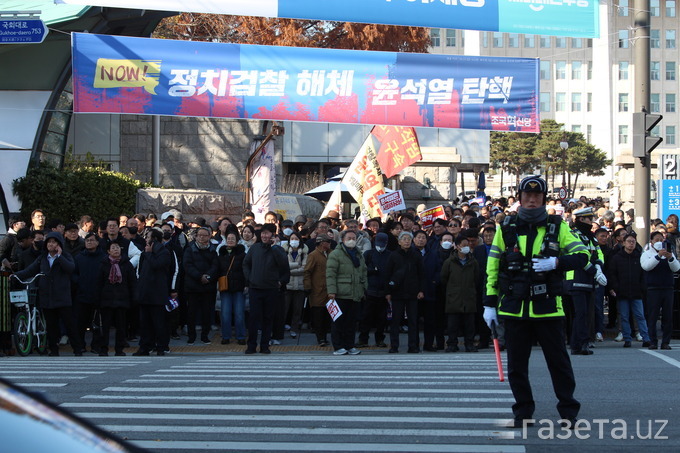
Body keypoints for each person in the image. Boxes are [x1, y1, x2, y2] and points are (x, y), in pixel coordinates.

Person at [483, 175, 589, 428]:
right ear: (519, 198)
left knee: (559, 363)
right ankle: (523, 411)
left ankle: (568, 412)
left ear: (543, 199)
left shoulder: (558, 226)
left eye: (537, 196)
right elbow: (493, 266)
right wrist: (489, 303)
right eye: (527, 196)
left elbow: (583, 255)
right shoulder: (505, 227)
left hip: (549, 307)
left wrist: (557, 262)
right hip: (514, 307)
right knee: (517, 366)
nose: (531, 201)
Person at [15, 232, 83, 356]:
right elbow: (30, 270)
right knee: (51, 326)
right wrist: (15, 275)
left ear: (59, 244)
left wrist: (59, 256)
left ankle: (77, 349)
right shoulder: (42, 257)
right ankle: (54, 349)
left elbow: (70, 268)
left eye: (54, 242)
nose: (51, 245)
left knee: (70, 324)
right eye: (49, 242)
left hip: (62, 297)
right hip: (47, 296)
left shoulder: (65, 256)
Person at [564, 207, 606, 356]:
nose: (591, 221)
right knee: (580, 313)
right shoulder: (574, 235)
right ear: (581, 219)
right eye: (589, 219)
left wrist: (599, 266)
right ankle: (579, 343)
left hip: (589, 278)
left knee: (587, 313)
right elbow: (578, 257)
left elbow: (598, 253)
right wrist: (594, 271)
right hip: (576, 278)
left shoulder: (592, 237)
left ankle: (581, 343)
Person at [242, 224, 290, 354]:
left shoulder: (277, 250)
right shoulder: (255, 248)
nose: (264, 236)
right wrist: (249, 277)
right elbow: (246, 263)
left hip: (271, 289)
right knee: (254, 318)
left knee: (268, 318)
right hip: (255, 288)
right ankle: (251, 345)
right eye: (263, 233)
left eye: (268, 233)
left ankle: (265, 345)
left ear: (273, 235)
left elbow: (284, 265)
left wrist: (274, 246)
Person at [326, 229, 367, 355]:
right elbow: (330, 274)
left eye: (354, 238)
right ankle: (338, 346)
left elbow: (364, 272)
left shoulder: (358, 254)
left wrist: (364, 288)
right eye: (349, 238)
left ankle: (350, 345)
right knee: (338, 322)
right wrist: (331, 291)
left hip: (355, 293)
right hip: (340, 293)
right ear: (342, 240)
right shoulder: (336, 254)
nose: (351, 240)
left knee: (351, 322)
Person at [607, 234, 652, 349]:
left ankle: (646, 338)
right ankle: (627, 339)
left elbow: (643, 275)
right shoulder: (617, 258)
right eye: (629, 241)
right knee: (624, 317)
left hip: (637, 292)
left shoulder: (639, 256)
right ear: (624, 243)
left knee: (640, 316)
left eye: (633, 242)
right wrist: (615, 287)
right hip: (622, 292)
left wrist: (643, 288)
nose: (631, 244)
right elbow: (612, 274)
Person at [134, 229, 172, 356]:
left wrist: (149, 254)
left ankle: (161, 347)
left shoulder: (164, 252)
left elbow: (157, 265)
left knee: (159, 323)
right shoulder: (145, 252)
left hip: (157, 294)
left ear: (154, 239)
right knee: (144, 323)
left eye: (148, 236)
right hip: (145, 293)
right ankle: (144, 347)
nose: (145, 239)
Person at [385, 231, 424, 353]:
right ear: (399, 241)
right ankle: (394, 346)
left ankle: (413, 346)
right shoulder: (393, 255)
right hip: (397, 293)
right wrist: (388, 292)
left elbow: (422, 274)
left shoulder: (416, 255)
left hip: (413, 293)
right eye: (404, 239)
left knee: (413, 321)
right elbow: (387, 274)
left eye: (409, 239)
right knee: (395, 321)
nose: (407, 241)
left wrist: (421, 290)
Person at [441, 234, 480, 352]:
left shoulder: (473, 262)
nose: (466, 247)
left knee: (469, 324)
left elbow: (476, 278)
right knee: (452, 324)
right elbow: (444, 278)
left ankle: (469, 343)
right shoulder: (449, 262)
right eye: (464, 245)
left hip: (469, 296)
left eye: (467, 245)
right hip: (454, 297)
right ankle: (452, 344)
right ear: (457, 246)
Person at [96, 241, 136, 356]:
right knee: (106, 326)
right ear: (108, 251)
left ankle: (119, 349)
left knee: (121, 326)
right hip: (106, 300)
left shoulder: (126, 263)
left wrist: (133, 297)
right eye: (113, 248)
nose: (116, 250)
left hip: (122, 299)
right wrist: (98, 299)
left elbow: (132, 282)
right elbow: (99, 283)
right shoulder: (103, 263)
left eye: (117, 247)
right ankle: (104, 348)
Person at [642, 231, 680, 350]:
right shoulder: (647, 254)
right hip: (653, 289)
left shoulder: (669, 253)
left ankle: (665, 342)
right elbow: (647, 266)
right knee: (652, 316)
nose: (659, 242)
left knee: (667, 316)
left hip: (668, 288)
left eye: (661, 240)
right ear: (651, 242)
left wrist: (670, 258)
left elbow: (676, 268)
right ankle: (653, 341)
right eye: (656, 240)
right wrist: (658, 256)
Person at [183, 227, 219, 345]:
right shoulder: (189, 249)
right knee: (192, 312)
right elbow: (187, 266)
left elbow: (215, 266)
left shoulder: (213, 250)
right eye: (199, 235)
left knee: (207, 312)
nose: (202, 237)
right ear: (196, 236)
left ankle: (205, 335)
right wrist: (199, 276)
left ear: (209, 237)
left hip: (208, 286)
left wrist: (208, 276)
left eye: (204, 235)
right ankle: (191, 336)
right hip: (193, 286)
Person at [73, 233, 106, 353]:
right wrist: (79, 281)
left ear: (97, 243)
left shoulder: (104, 257)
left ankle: (96, 346)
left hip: (99, 295)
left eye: (92, 240)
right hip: (82, 294)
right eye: (87, 240)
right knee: (80, 323)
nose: (89, 242)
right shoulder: (79, 257)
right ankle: (80, 345)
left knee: (97, 323)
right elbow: (74, 273)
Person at [217, 230, 247, 345]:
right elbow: (218, 270)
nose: (230, 240)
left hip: (239, 287)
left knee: (239, 313)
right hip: (225, 288)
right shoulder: (221, 254)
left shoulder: (242, 254)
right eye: (228, 238)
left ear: (237, 241)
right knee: (225, 313)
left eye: (232, 239)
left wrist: (246, 284)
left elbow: (246, 271)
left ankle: (241, 336)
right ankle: (226, 336)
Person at [304, 236, 332, 346]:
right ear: (321, 243)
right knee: (318, 316)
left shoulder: (331, 253)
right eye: (327, 242)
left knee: (327, 316)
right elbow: (307, 272)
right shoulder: (313, 255)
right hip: (317, 290)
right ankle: (320, 338)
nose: (330, 244)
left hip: (329, 291)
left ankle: (325, 336)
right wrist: (307, 286)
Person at [282, 232, 308, 338]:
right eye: (292, 238)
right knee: (284, 309)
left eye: (296, 238)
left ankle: (294, 328)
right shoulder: (284, 251)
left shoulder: (304, 253)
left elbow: (304, 269)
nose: (294, 240)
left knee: (297, 309)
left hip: (300, 286)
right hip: (287, 285)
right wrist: (297, 265)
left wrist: (290, 269)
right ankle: (281, 327)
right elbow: (284, 266)